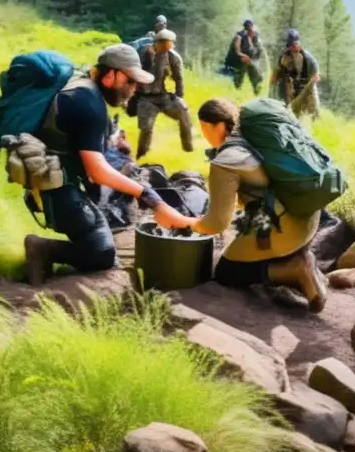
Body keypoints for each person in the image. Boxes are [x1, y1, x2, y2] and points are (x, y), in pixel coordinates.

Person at [23, 44, 190, 286]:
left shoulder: (84, 86)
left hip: (57, 174)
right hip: (55, 186)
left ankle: (50, 248)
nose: (135, 88)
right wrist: (151, 197)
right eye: (130, 81)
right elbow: (98, 171)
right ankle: (42, 249)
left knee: (99, 228)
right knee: (102, 253)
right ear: (110, 75)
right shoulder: (88, 103)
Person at [152, 98, 328, 312]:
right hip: (308, 215)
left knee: (227, 271)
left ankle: (294, 269)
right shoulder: (253, 135)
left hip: (287, 229)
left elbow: (216, 225)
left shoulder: (227, 160)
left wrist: (180, 220)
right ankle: (302, 261)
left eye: (203, 127)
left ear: (210, 125)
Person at [135, 29, 194, 159]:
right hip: (147, 98)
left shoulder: (173, 57)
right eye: (165, 43)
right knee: (146, 128)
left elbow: (179, 79)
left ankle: (188, 148)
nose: (168, 46)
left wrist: (179, 97)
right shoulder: (144, 54)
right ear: (157, 43)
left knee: (183, 112)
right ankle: (141, 154)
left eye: (170, 43)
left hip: (166, 97)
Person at [269, 28, 321, 119]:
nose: (292, 47)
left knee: (314, 113)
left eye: (294, 44)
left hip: (308, 87)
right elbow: (275, 75)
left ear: (298, 43)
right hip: (292, 88)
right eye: (290, 45)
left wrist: (307, 88)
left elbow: (316, 75)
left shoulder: (307, 57)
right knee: (293, 114)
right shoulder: (284, 57)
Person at [229, 20, 264, 95]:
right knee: (239, 77)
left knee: (256, 75)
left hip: (250, 59)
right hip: (240, 59)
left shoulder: (255, 35)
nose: (250, 29)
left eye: (251, 27)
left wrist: (254, 59)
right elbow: (237, 51)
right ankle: (237, 91)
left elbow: (259, 49)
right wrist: (244, 56)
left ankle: (256, 90)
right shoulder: (239, 36)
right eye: (248, 28)